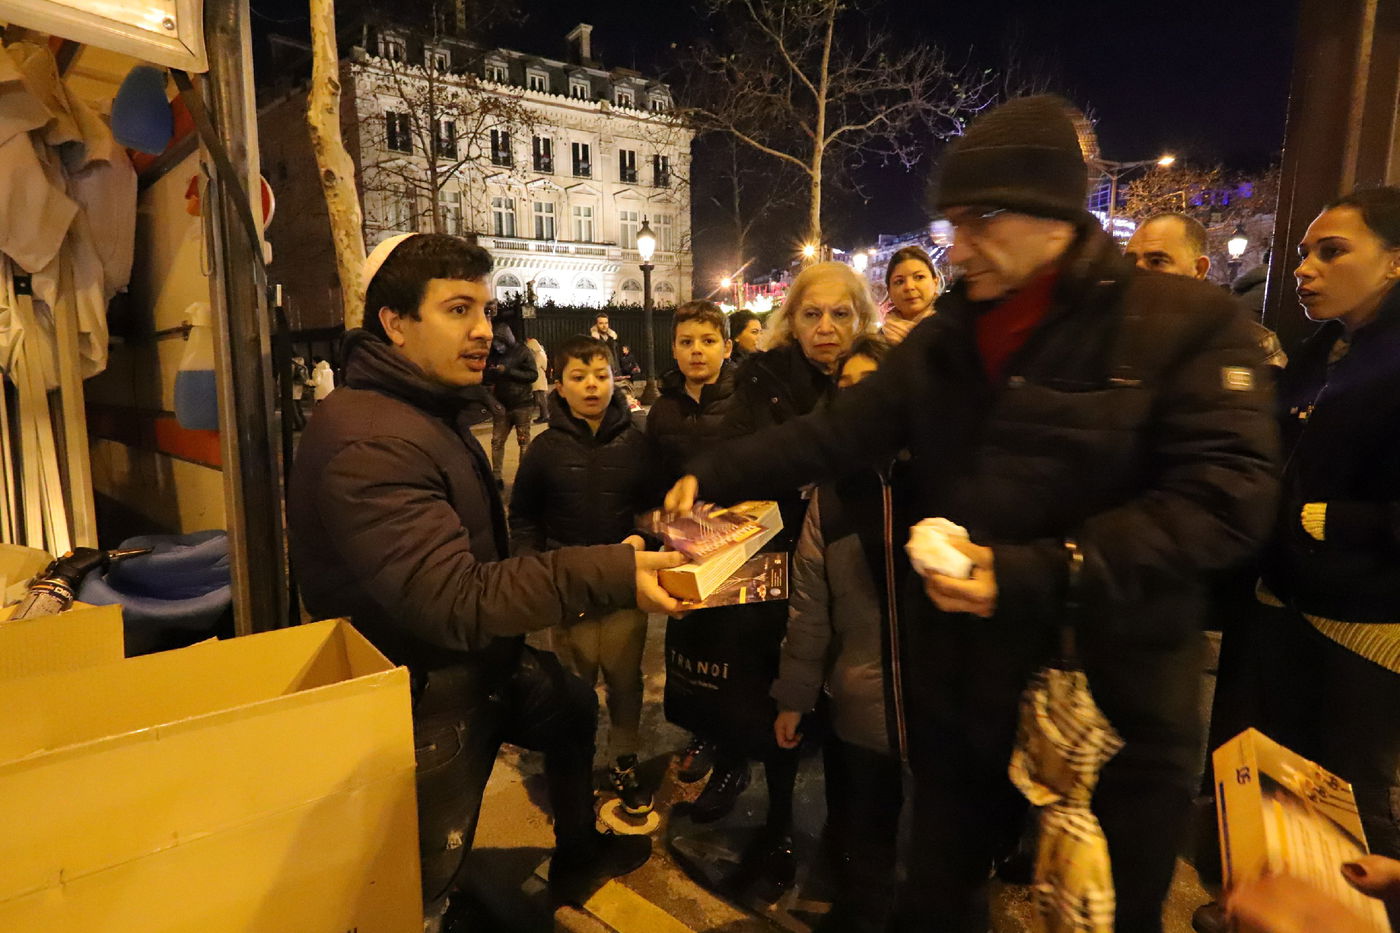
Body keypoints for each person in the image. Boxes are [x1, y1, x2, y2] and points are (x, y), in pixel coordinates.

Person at [664, 95, 1278, 931]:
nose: (959, 245)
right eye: (953, 221)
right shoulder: (955, 335)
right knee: (941, 889)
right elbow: (847, 429)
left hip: (1115, 698)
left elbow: (1227, 501)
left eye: (982, 218)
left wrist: (1034, 572)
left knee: (1097, 909)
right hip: (968, 687)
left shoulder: (1186, 325)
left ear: (1053, 215)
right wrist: (713, 469)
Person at [286, 233, 685, 923]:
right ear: (395, 322)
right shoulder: (369, 438)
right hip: (425, 691)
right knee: (421, 872)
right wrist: (613, 570)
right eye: (458, 309)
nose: (484, 331)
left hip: (480, 663)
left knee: (571, 706)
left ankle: (577, 850)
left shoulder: (421, 407)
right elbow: (455, 598)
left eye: (486, 308)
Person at [668, 261, 876, 901]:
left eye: (841, 314)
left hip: (855, 564)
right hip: (776, 565)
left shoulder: (877, 378)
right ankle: (777, 825)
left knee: (849, 711)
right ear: (791, 320)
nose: (826, 328)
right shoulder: (761, 380)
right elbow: (741, 463)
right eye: (812, 314)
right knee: (777, 699)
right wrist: (690, 541)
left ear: (861, 319)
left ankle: (849, 840)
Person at [1252, 187, 1400, 861]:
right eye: (1304, 253)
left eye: (1332, 252)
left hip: (1366, 621)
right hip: (1290, 598)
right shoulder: (1322, 349)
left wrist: (1331, 520)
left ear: (1394, 262)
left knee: (1352, 794)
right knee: (1284, 776)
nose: (1304, 269)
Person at [771, 334, 907, 933]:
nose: (857, 399)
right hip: (859, 709)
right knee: (863, 839)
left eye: (870, 385)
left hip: (940, 710)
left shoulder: (943, 479)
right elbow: (809, 609)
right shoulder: (830, 498)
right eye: (844, 387)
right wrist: (794, 698)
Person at [509, 335, 659, 816]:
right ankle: (575, 765)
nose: (591, 386)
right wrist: (531, 565)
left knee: (624, 680)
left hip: (622, 586)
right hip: (567, 588)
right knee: (573, 686)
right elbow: (525, 517)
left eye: (601, 375)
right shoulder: (545, 449)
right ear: (559, 384)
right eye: (579, 377)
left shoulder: (637, 443)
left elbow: (652, 510)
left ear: (616, 380)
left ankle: (625, 759)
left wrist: (642, 541)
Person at [643, 300, 737, 785]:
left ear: (726, 346)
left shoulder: (748, 401)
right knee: (691, 642)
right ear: (674, 349)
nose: (696, 351)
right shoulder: (663, 410)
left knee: (737, 645)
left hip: (743, 543)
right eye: (686, 342)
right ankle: (700, 731)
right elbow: (655, 476)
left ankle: (737, 743)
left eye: (707, 341)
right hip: (687, 546)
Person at [485, 319, 536, 484]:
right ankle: (496, 476)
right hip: (502, 405)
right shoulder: (495, 354)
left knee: (523, 442)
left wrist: (508, 371)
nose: (497, 346)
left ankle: (523, 478)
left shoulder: (523, 352)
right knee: (497, 441)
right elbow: (487, 375)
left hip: (522, 404)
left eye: (499, 342)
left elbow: (532, 375)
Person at [880, 245, 940, 345]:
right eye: (899, 281)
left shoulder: (957, 330)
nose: (909, 287)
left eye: (919, 277)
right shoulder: (876, 343)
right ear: (889, 291)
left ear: (935, 282)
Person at [525, 334, 549, 423]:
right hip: (539, 378)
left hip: (538, 378)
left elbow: (535, 366)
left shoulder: (539, 354)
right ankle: (543, 415)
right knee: (540, 399)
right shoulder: (540, 353)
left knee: (541, 399)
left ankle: (545, 416)